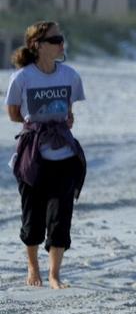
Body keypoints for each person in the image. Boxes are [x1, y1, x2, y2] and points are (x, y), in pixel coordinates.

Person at [6, 21, 86, 289]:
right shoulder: (22, 78)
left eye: (61, 39)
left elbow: (69, 110)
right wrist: (37, 126)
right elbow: (14, 114)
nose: (61, 43)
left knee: (61, 216)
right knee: (33, 216)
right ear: (37, 45)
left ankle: (54, 274)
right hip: (33, 155)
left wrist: (63, 120)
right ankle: (32, 266)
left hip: (64, 154)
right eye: (55, 40)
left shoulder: (70, 75)